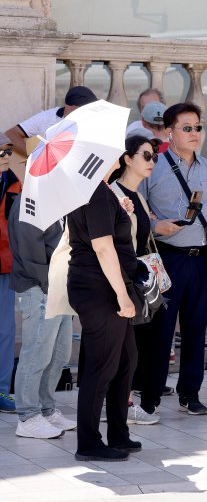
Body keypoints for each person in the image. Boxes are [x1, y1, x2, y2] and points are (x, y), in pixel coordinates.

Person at [140, 102, 207, 416]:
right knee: (161, 331)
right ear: (169, 132)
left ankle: (190, 394)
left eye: (198, 127)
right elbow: (136, 211)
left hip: (203, 260)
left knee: (196, 330)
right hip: (168, 258)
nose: (194, 133)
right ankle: (150, 397)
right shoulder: (153, 165)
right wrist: (156, 225)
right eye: (187, 128)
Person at [67, 157, 140, 462]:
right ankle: (89, 442)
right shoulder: (94, 192)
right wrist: (123, 296)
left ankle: (118, 433)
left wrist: (120, 209)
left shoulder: (102, 190)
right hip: (100, 288)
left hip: (101, 285)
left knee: (125, 359)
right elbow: (103, 247)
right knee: (102, 366)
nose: (120, 155)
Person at [8, 174, 76, 437]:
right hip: (39, 287)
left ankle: (46, 409)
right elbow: (29, 251)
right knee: (37, 352)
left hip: (58, 286)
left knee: (59, 352)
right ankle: (28, 415)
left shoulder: (56, 199)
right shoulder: (30, 200)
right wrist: (51, 285)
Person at [105, 135, 164, 425]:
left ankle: (123, 402)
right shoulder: (115, 194)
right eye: (146, 155)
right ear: (127, 159)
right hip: (121, 280)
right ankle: (120, 404)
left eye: (154, 156)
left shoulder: (138, 195)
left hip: (137, 279)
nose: (152, 161)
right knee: (121, 347)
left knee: (134, 347)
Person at [3, 86, 98, 158]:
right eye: (85, 108)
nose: (88, 112)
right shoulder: (47, 118)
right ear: (70, 106)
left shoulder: (94, 120)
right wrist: (34, 156)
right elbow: (10, 135)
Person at [0, 133, 22, 413]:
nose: (6, 156)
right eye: (1, 152)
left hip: (6, 264)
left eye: (8, 151)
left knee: (6, 331)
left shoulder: (15, 183)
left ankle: (2, 389)